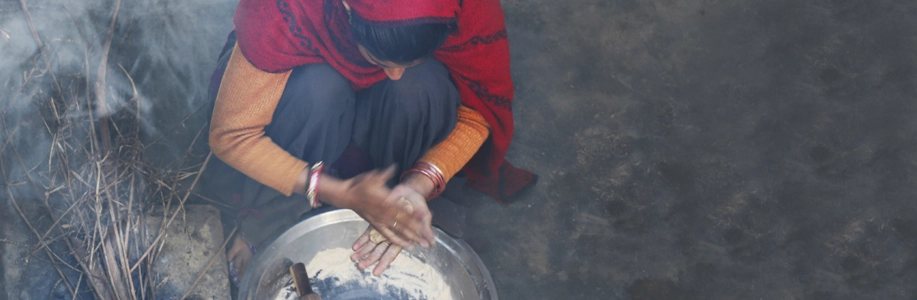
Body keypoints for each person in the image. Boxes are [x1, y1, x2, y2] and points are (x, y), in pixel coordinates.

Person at [206, 0, 537, 285]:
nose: (392, 73)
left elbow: (477, 112)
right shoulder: (285, 12)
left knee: (419, 86)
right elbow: (233, 135)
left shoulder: (466, 7)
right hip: (310, 106)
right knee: (320, 90)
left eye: (409, 60)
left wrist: (418, 185)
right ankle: (270, 218)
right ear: (348, 11)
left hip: (389, 123)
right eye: (381, 61)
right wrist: (337, 191)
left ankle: (391, 204)